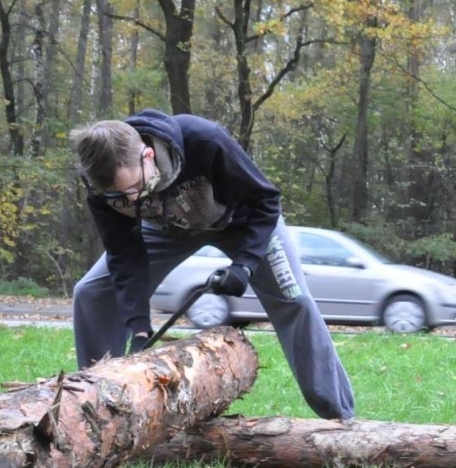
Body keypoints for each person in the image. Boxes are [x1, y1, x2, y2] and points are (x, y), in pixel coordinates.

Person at [69, 109, 356, 421]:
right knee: (93, 292)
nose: (132, 199)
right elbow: (125, 256)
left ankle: (338, 416)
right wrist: (139, 328)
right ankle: (99, 410)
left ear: (147, 154)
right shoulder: (100, 182)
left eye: (135, 187)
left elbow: (266, 201)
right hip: (166, 229)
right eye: (121, 195)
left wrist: (244, 265)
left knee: (294, 301)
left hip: (241, 222)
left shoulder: (205, 141)